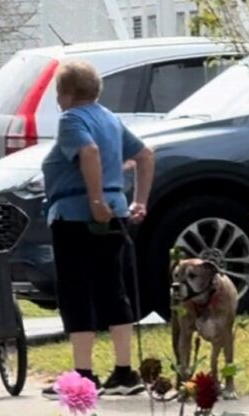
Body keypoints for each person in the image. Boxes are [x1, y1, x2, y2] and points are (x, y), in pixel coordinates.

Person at [40, 60, 155, 398]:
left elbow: (87, 152)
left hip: (78, 216)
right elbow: (146, 156)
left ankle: (82, 376)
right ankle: (124, 372)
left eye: (58, 93)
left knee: (76, 292)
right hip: (116, 212)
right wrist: (140, 201)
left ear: (68, 93)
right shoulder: (109, 118)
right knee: (112, 287)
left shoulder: (71, 119)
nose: (58, 99)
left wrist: (94, 201)